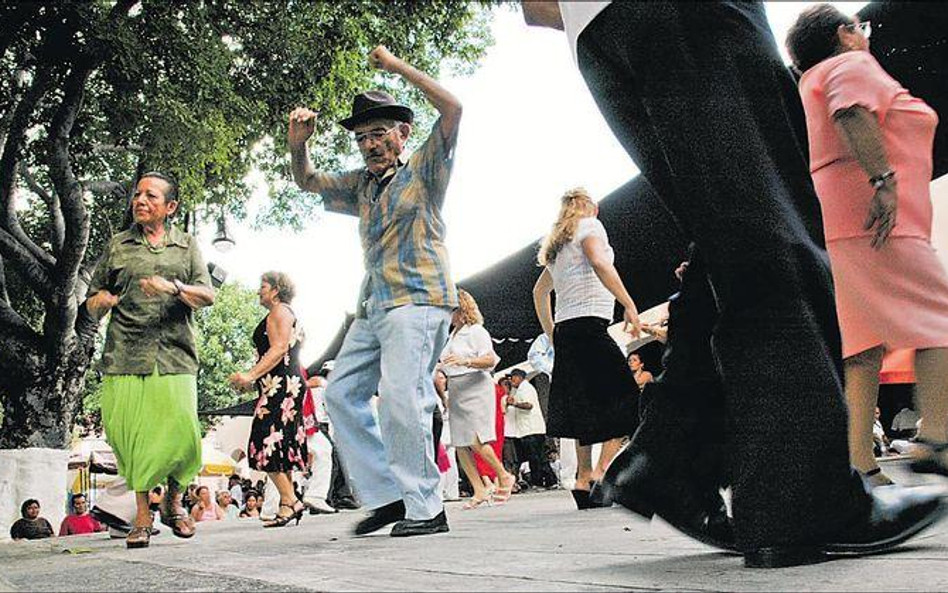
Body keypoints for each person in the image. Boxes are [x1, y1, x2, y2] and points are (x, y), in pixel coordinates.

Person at [520, 1, 946, 568]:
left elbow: (537, 9)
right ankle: (799, 500)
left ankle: (672, 458)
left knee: (732, 242)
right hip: (688, 16)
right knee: (773, 232)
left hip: (599, 35)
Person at [288, 44, 461, 538]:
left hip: (419, 298)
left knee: (404, 397)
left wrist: (398, 66)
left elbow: (453, 109)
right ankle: (388, 496)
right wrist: (298, 143)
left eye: (379, 133)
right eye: (362, 137)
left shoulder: (425, 171)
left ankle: (427, 508)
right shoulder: (362, 186)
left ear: (403, 133)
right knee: (341, 394)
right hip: (374, 304)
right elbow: (307, 180)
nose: (370, 144)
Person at [788, 4, 948, 488]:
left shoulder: (810, 80)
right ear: (845, 34)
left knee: (861, 350)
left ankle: (860, 467)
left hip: (840, 223)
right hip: (881, 220)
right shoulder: (851, 64)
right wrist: (884, 182)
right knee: (939, 317)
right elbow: (852, 111)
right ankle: (937, 437)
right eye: (862, 29)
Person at [85, 171, 214, 549]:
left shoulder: (186, 246)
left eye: (151, 196)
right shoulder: (118, 246)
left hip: (175, 354)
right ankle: (142, 516)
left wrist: (173, 287)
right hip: (125, 354)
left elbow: (207, 295)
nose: (140, 201)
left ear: (170, 207)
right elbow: (91, 302)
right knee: (134, 439)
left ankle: (174, 499)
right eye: (137, 194)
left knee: (184, 436)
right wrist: (102, 302)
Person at [533, 188, 641, 509]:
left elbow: (539, 293)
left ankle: (583, 479)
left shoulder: (558, 244)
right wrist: (629, 304)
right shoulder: (590, 227)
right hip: (591, 324)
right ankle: (601, 474)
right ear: (592, 207)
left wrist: (552, 333)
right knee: (625, 397)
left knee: (583, 406)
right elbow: (598, 260)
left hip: (567, 329)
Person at [229, 271, 309, 528]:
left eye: (262, 286)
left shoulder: (279, 311)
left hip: (281, 385)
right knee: (278, 442)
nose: (258, 291)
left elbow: (278, 348)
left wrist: (249, 376)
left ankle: (291, 499)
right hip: (282, 383)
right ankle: (287, 504)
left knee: (264, 440)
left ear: (275, 289)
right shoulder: (284, 312)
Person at [440, 289, 514, 509]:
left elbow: (490, 359)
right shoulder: (452, 335)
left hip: (474, 386)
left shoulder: (476, 331)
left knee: (476, 438)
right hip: (456, 388)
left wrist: (465, 361)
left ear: (461, 309)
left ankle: (504, 475)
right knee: (460, 442)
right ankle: (479, 489)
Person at [506, 370, 558, 489]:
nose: (511, 380)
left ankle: (539, 482)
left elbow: (529, 405)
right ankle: (550, 480)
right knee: (538, 456)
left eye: (513, 377)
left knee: (535, 457)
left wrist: (515, 403)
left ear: (520, 377)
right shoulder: (518, 389)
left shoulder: (526, 388)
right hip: (527, 429)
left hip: (531, 429)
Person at [301, 368, 338, 515]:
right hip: (300, 413)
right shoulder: (320, 384)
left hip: (305, 414)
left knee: (282, 461)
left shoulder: (320, 383)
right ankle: (316, 495)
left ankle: (272, 507)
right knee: (323, 450)